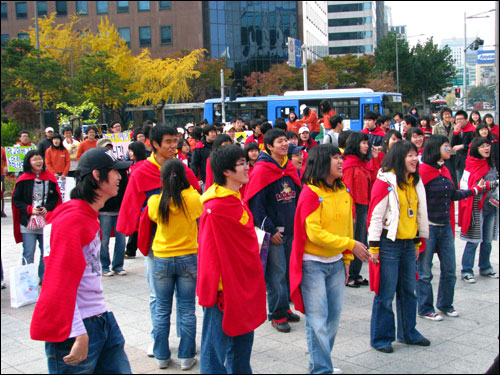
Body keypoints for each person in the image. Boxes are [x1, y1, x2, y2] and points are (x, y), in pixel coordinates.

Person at [30, 147, 132, 374]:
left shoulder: (85, 215)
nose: (119, 177)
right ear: (97, 176)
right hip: (78, 329)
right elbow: (58, 281)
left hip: (101, 319)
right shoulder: (72, 219)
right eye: (115, 171)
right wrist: (78, 331)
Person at [117, 126, 200, 358]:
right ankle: (158, 341)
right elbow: (132, 203)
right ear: (154, 144)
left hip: (184, 243)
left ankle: (182, 346)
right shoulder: (142, 172)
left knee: (181, 303)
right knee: (158, 298)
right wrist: (127, 230)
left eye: (176, 141)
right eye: (168, 142)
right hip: (156, 243)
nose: (174, 145)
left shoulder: (182, 169)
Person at [290, 144, 371, 374]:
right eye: (335, 157)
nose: (340, 162)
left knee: (333, 320)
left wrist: (346, 261)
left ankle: (318, 362)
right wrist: (350, 246)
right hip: (312, 264)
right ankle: (322, 369)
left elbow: (348, 227)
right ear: (322, 162)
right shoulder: (310, 193)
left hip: (335, 264)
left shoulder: (343, 191)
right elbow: (314, 234)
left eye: (340, 157)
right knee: (317, 321)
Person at [197, 145, 267, 374]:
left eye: (246, 162)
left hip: (242, 283)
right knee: (214, 349)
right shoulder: (215, 208)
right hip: (224, 291)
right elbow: (208, 253)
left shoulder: (235, 198)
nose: (248, 167)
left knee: (242, 343)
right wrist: (217, 290)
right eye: (242, 164)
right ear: (226, 171)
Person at [368, 141, 430, 353]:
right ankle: (381, 338)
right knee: (385, 294)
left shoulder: (415, 181)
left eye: (416, 155)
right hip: (388, 244)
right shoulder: (385, 181)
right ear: (399, 157)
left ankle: (408, 332)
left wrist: (417, 241)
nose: (415, 159)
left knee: (408, 291)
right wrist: (374, 248)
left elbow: (417, 214)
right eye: (410, 155)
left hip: (407, 243)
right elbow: (376, 217)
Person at [418, 135, 482, 321]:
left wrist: (475, 190)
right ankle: (425, 308)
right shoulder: (422, 172)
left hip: (445, 226)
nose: (449, 149)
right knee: (424, 272)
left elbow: (453, 194)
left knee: (449, 269)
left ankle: (445, 304)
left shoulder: (446, 169)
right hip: (428, 227)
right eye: (446, 146)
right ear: (435, 148)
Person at [146, 158, 202, 370]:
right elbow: (199, 213)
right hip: (188, 257)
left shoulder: (155, 202)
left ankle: (161, 356)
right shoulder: (194, 198)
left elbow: (151, 217)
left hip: (161, 258)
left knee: (162, 309)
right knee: (187, 308)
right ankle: (186, 357)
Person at [245, 128, 302, 333]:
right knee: (276, 274)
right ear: (269, 146)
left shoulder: (289, 168)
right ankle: (276, 313)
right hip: (274, 233)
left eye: (286, 140)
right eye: (280, 142)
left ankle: (284, 308)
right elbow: (256, 206)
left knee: (286, 271)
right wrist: (270, 230)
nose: (285, 144)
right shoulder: (261, 170)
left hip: (291, 231)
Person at [12, 150, 62, 285]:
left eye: (40, 159)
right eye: (35, 160)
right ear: (29, 162)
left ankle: (44, 279)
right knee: (28, 252)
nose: (38, 162)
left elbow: (55, 197)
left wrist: (47, 208)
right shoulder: (23, 179)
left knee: (45, 252)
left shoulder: (49, 177)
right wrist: (30, 209)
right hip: (27, 222)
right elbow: (17, 200)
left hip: (46, 221)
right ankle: (27, 282)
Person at [342, 132, 381, 288]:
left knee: (362, 240)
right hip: (354, 207)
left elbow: (375, 179)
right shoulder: (348, 165)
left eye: (367, 143)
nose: (366, 146)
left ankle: (356, 273)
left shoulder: (362, 163)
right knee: (353, 241)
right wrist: (351, 212)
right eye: (363, 143)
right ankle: (349, 274)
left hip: (364, 205)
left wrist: (376, 158)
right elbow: (347, 190)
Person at [459, 137, 499, 283]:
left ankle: (485, 267)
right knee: (473, 240)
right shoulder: (470, 165)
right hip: (476, 207)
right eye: (482, 146)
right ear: (476, 148)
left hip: (491, 206)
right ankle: (466, 270)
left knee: (487, 240)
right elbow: (468, 186)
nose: (486, 148)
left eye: (488, 145)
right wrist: (490, 184)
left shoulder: (491, 163)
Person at [96, 140, 131, 277]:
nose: (109, 151)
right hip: (104, 210)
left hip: (119, 209)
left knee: (121, 239)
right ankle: (104, 265)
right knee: (104, 240)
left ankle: (118, 265)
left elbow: (127, 188)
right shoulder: (97, 170)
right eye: (106, 148)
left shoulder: (120, 166)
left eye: (110, 148)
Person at [124, 141, 148, 260]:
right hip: (141, 200)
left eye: (131, 150)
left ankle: (131, 250)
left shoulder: (140, 166)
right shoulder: (135, 164)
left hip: (141, 200)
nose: (130, 153)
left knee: (137, 225)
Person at [433, 107, 458, 187]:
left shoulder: (455, 126)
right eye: (445, 114)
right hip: (443, 153)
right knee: (448, 171)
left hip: (453, 152)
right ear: (442, 116)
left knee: (455, 171)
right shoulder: (437, 127)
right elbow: (434, 140)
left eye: (449, 114)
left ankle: (455, 187)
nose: (447, 116)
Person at [451, 110, 474, 185]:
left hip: (469, 161)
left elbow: (474, 145)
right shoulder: (458, 130)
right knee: (460, 184)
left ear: (466, 119)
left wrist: (463, 146)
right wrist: (455, 133)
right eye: (457, 119)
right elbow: (453, 145)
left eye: (461, 119)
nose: (458, 121)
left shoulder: (472, 130)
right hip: (459, 161)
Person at [1, 146, 7, 217]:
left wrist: (6, 166)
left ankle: (1, 210)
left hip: (1, 175)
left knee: (1, 193)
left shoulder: (2, 149)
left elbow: (6, 160)